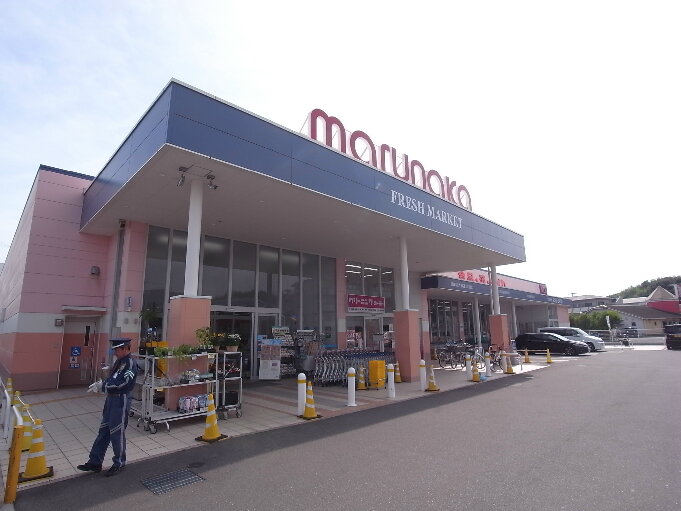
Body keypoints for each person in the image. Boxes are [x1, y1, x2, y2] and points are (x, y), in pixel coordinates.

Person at [77, 338, 138, 477]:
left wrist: (104, 386)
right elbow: (113, 379)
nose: (115, 352)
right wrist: (102, 383)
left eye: (117, 349)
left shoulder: (130, 363)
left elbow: (125, 384)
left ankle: (119, 463)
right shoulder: (119, 362)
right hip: (111, 400)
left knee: (117, 432)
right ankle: (95, 462)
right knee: (103, 431)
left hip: (120, 400)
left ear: (125, 348)